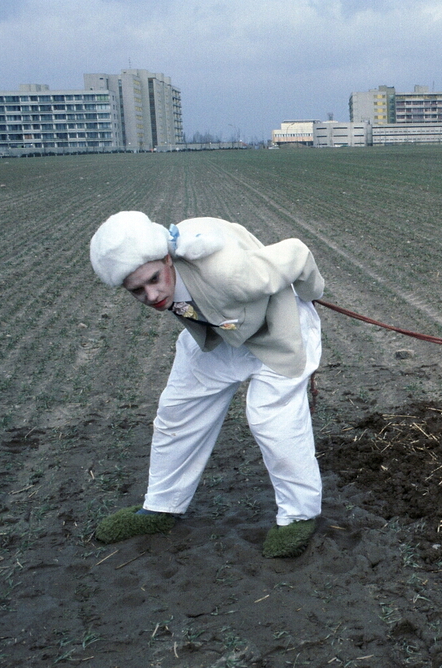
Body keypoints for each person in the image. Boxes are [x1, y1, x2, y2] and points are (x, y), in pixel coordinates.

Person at [89, 211, 325, 558]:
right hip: (222, 333)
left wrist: (311, 293)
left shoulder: (229, 272)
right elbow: (185, 301)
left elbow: (298, 254)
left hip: (277, 331)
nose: (151, 295)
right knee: (177, 411)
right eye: (136, 290)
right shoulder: (163, 275)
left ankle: (299, 515)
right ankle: (161, 507)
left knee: (272, 421)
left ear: (167, 258)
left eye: (154, 279)